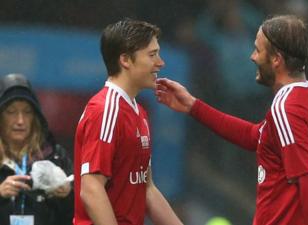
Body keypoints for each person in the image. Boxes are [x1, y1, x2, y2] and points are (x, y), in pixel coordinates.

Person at [156, 15, 308, 225]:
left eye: (258, 50)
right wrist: (193, 106)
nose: (253, 57)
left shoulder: (287, 109)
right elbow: (255, 136)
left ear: (276, 59)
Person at [73, 18, 183, 225]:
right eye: (152, 55)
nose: (160, 62)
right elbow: (91, 189)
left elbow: (147, 188)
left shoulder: (139, 112)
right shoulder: (106, 110)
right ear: (125, 60)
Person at [0, 73, 73, 225]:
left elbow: (75, 217)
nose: (20, 121)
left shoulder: (55, 156)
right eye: (11, 112)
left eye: (27, 112)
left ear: (35, 117)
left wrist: (67, 196)